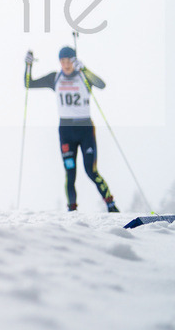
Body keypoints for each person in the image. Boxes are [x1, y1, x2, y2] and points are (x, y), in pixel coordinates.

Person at [24, 46, 118, 212]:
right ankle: (72, 209)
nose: (66, 65)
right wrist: (28, 65)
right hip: (66, 131)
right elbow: (28, 84)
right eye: (63, 61)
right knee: (70, 172)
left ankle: (111, 205)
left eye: (69, 61)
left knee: (91, 171)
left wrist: (85, 69)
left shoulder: (83, 76)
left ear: (74, 61)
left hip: (85, 129)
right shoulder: (55, 77)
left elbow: (102, 85)